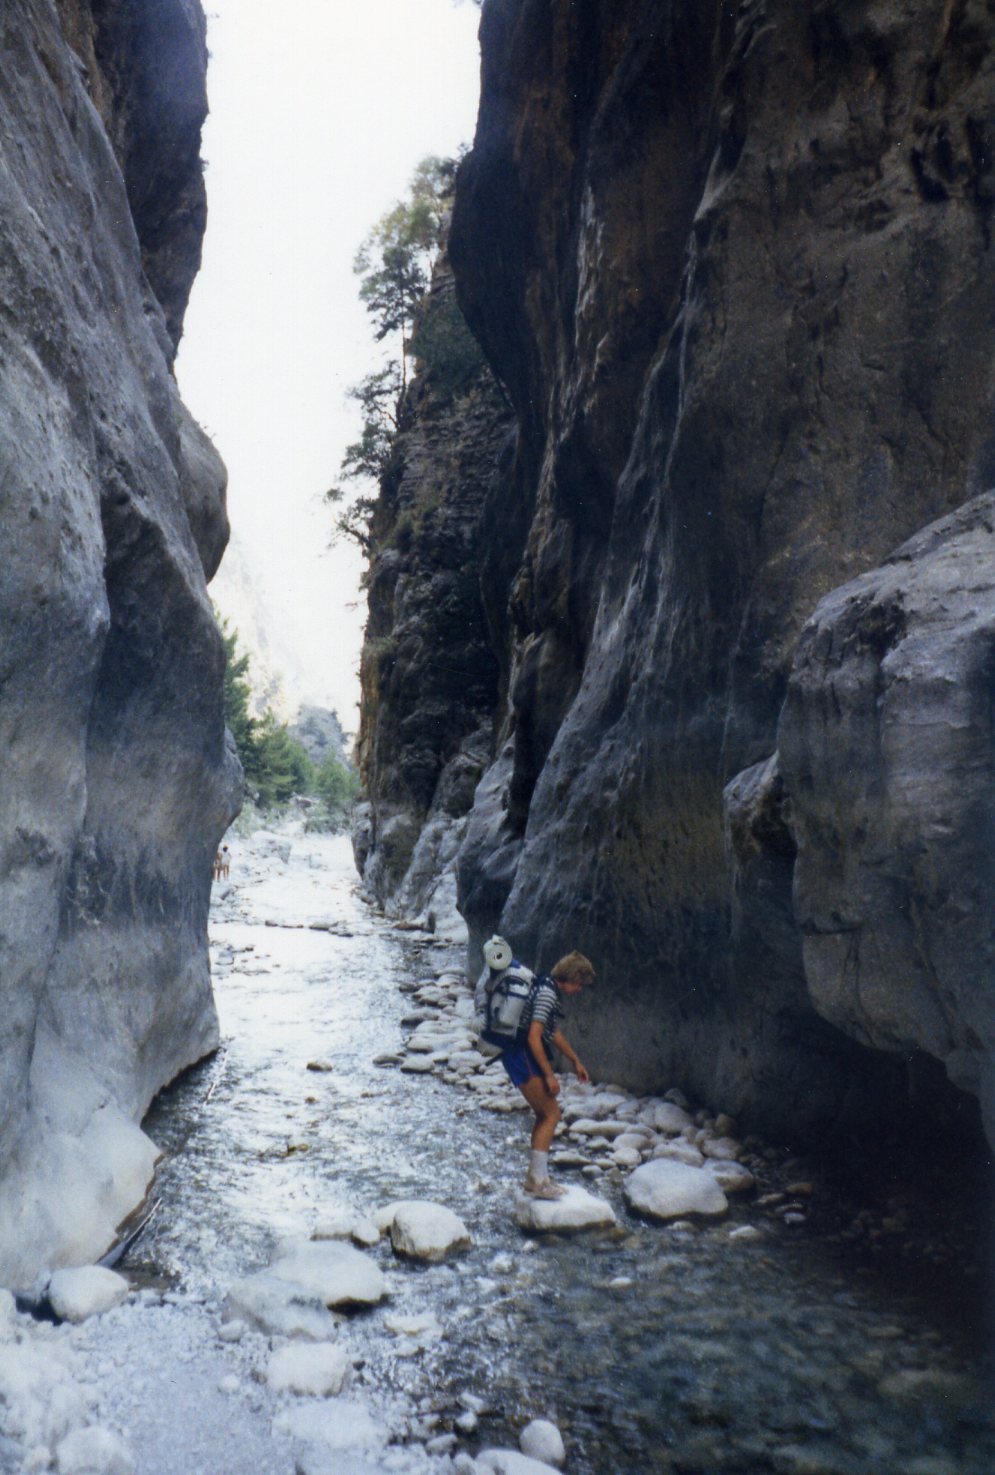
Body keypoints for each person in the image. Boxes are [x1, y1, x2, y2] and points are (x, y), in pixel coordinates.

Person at [500, 950, 596, 1199]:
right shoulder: (546, 994)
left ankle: (538, 1178)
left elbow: (552, 1032)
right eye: (580, 985)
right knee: (551, 1113)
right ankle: (537, 1181)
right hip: (520, 1054)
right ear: (573, 979)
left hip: (517, 1053)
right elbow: (534, 1037)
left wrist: (575, 1060)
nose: (579, 990)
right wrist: (550, 1076)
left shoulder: (546, 987)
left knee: (545, 1114)